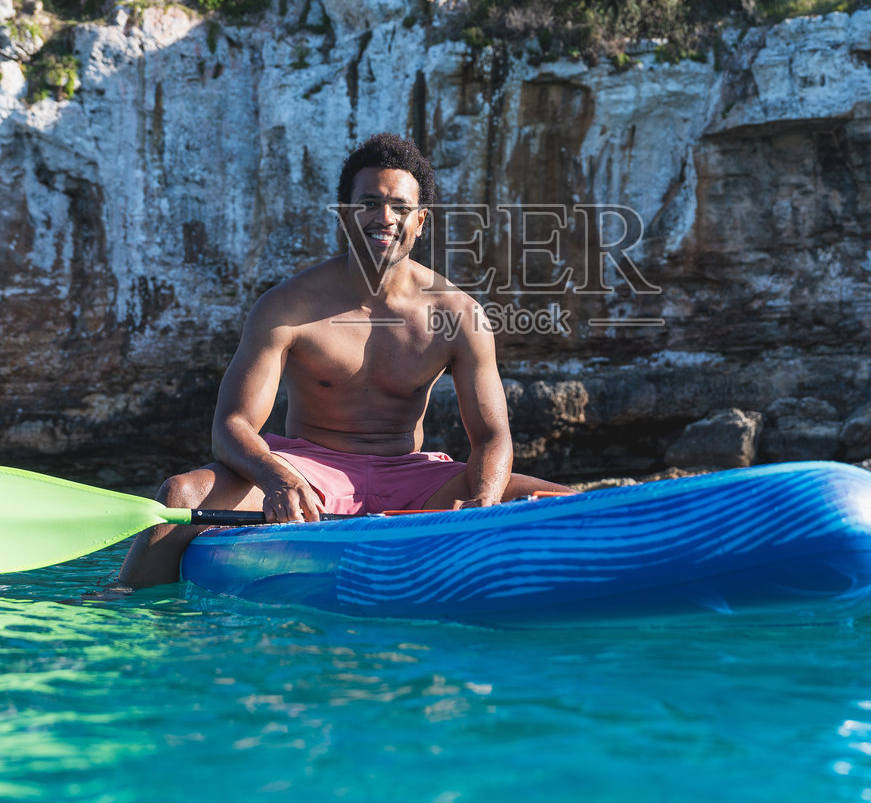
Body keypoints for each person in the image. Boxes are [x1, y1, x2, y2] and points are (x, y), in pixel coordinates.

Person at [117, 133, 570, 588]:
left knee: (565, 503)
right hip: (307, 473)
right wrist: (277, 479)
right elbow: (232, 426)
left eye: (400, 207)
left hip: (414, 479)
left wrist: (484, 502)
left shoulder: (458, 315)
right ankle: (120, 603)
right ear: (345, 215)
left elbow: (491, 435)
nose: (385, 217)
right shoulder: (287, 307)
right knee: (181, 495)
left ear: (420, 221)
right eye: (369, 203)